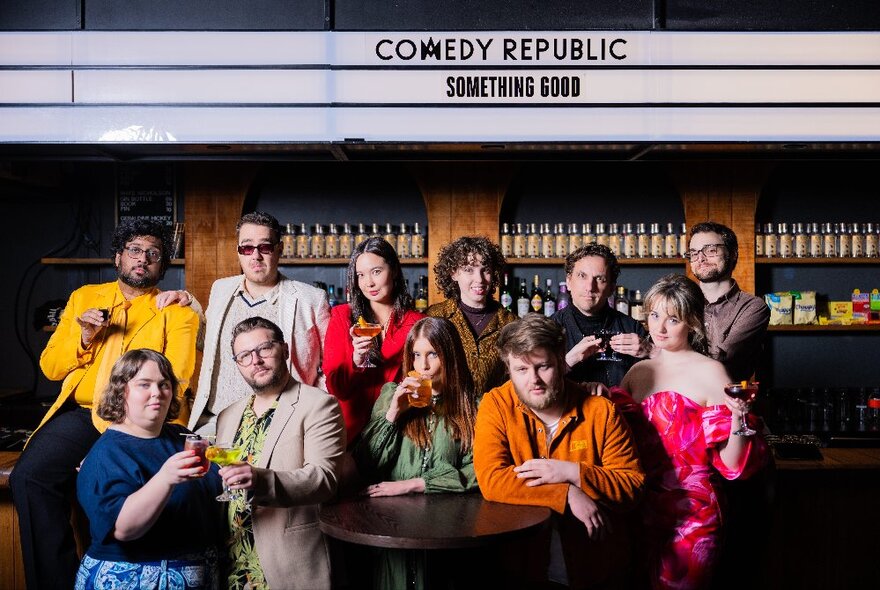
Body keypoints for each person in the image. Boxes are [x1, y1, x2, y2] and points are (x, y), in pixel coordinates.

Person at [10, 218, 200, 589]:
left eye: (153, 253)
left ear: (162, 265)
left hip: (140, 422)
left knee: (120, 488)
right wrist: (84, 336)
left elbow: (176, 378)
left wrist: (112, 445)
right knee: (29, 478)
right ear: (117, 257)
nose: (142, 259)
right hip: (82, 415)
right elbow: (50, 368)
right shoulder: (84, 298)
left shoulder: (177, 312)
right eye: (134, 250)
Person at [608, 274, 768, 590]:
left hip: (694, 515)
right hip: (641, 509)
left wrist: (738, 420)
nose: (660, 327)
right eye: (654, 315)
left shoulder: (711, 372)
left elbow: (732, 464)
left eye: (673, 319)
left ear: (692, 322)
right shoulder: (637, 372)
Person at [474, 313, 646, 590]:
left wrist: (572, 473)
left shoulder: (601, 410)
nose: (534, 380)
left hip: (594, 565)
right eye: (521, 370)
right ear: (508, 368)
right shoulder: (496, 405)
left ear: (561, 360)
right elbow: (492, 480)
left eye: (543, 367)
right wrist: (566, 493)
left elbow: (631, 487)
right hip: (523, 565)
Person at [75, 349, 223, 589]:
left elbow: (219, 483)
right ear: (122, 391)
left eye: (164, 384)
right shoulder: (107, 453)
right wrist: (165, 479)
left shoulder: (180, 437)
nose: (157, 393)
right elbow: (124, 529)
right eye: (144, 385)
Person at [216, 316, 346, 590]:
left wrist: (260, 481)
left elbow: (324, 479)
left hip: (284, 565)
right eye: (244, 355)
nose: (256, 361)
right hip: (231, 562)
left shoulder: (319, 405)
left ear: (285, 350)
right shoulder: (227, 416)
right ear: (238, 364)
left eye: (264, 349)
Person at [353, 316, 479, 590]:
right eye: (416, 355)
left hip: (448, 531)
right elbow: (367, 464)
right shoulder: (390, 395)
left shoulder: (472, 406)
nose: (423, 366)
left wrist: (416, 484)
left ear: (451, 356)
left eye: (433, 354)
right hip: (393, 527)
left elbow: (479, 471)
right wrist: (393, 414)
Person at [187, 210, 331, 436]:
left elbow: (329, 366)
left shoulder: (310, 299)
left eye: (264, 247)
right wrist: (186, 302)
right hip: (216, 421)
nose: (255, 256)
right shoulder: (220, 290)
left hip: (280, 424)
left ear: (279, 249)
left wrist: (313, 414)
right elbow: (204, 342)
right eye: (246, 248)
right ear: (238, 252)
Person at [323, 236, 425, 447]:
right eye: (361, 275)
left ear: (394, 271)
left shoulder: (416, 323)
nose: (368, 282)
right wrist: (356, 359)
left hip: (400, 431)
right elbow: (335, 388)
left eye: (376, 272)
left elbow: (424, 379)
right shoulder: (342, 317)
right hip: (350, 434)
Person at [427, 235, 518, 397]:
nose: (479, 279)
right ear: (453, 273)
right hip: (446, 416)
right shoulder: (435, 317)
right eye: (469, 270)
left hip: (494, 417)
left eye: (486, 270)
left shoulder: (511, 323)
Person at [552, 243, 650, 388]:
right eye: (582, 276)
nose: (590, 287)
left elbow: (656, 387)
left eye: (599, 279)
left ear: (611, 288)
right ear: (568, 282)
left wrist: (651, 352)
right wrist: (568, 361)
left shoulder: (632, 328)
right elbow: (532, 387)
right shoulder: (548, 329)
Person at [686, 221, 770, 383]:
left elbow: (722, 362)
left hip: (726, 402)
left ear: (732, 254)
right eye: (694, 253)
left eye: (710, 250)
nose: (700, 258)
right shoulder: (681, 301)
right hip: (679, 400)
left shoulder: (753, 307)